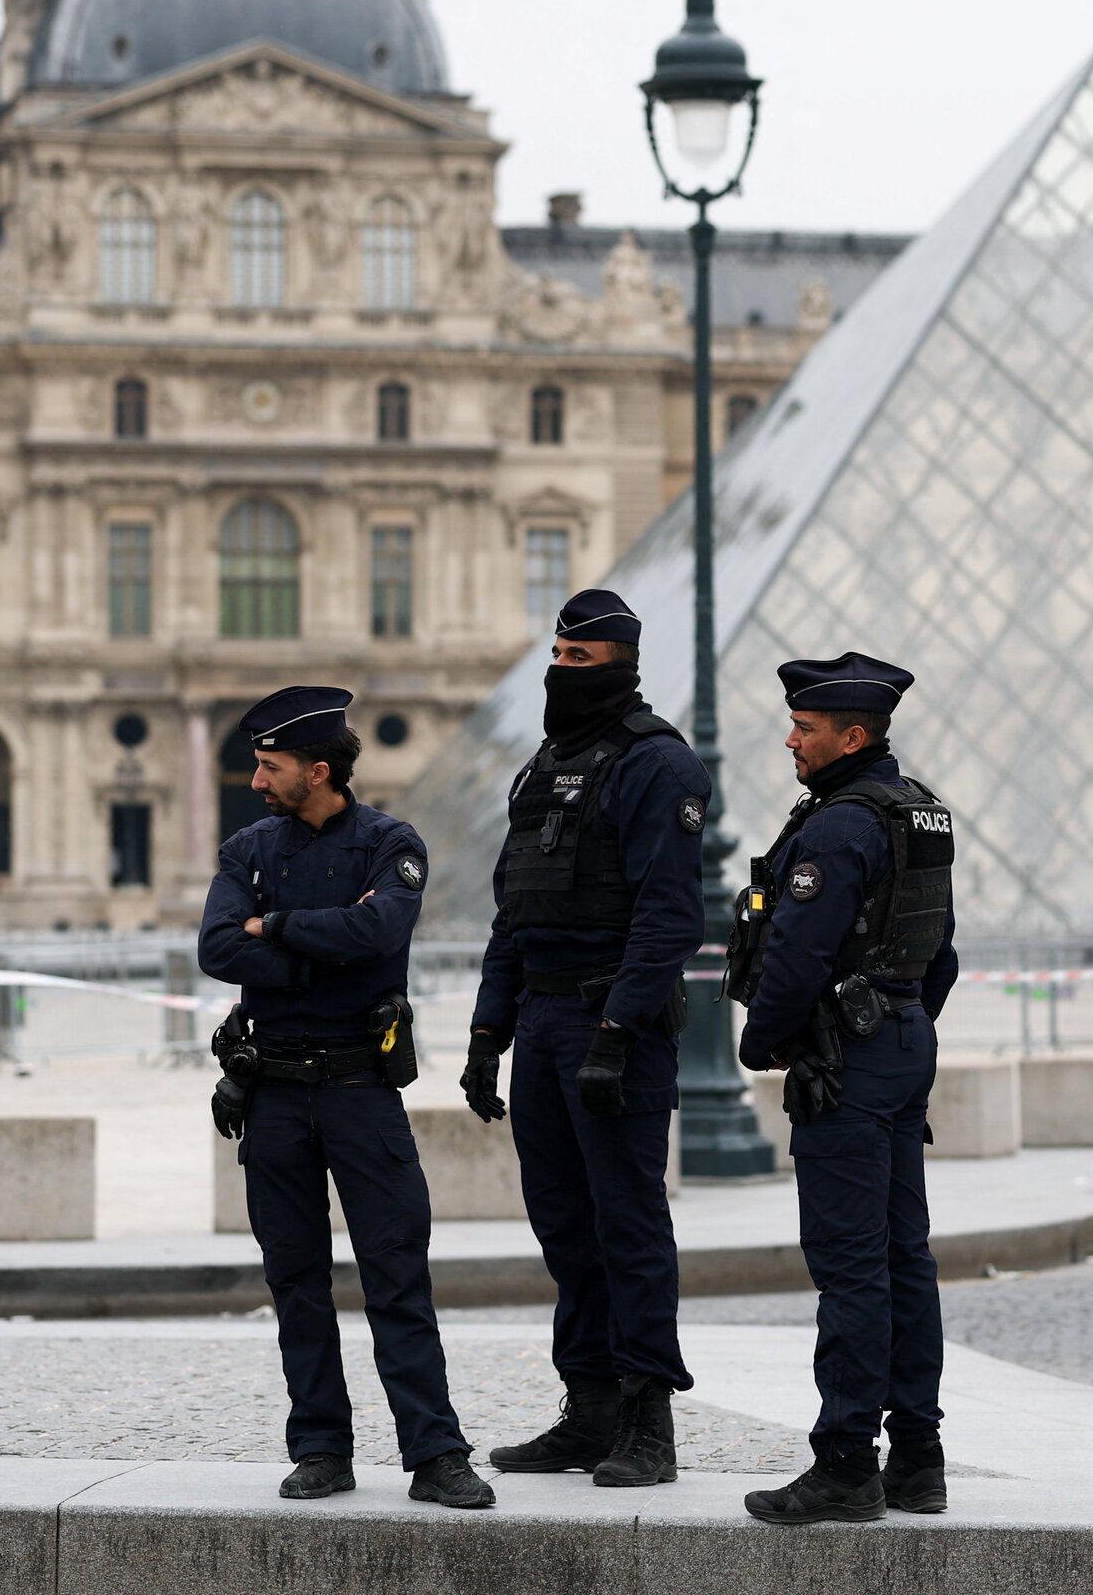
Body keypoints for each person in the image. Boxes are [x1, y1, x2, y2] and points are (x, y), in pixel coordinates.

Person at [197, 685, 491, 1510]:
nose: (255, 781)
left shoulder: (391, 842)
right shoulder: (249, 848)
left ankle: (435, 1453)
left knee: (397, 1276)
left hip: (362, 1086)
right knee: (295, 1280)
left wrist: (274, 927)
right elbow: (218, 947)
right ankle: (321, 1446)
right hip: (276, 1091)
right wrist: (317, 938)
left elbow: (379, 937)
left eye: (269, 766)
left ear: (317, 770)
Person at [463, 589, 710, 1488]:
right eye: (556, 660)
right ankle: (589, 1405)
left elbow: (668, 917)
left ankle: (649, 1421)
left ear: (622, 664)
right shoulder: (542, 767)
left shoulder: (656, 763)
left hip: (615, 1022)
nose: (561, 675)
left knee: (628, 1224)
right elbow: (513, 908)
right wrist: (489, 1032)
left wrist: (614, 1034)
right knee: (566, 1226)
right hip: (541, 1019)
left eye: (580, 662)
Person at [729, 652, 958, 1526]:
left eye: (807, 728)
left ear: (851, 736)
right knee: (907, 1258)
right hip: (901, 1043)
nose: (792, 739)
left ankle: (845, 1464)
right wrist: (900, 1020)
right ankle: (918, 1460)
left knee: (852, 1267)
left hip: (846, 1063)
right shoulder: (921, 814)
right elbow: (942, 953)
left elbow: (795, 956)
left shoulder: (836, 828)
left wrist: (768, 1040)